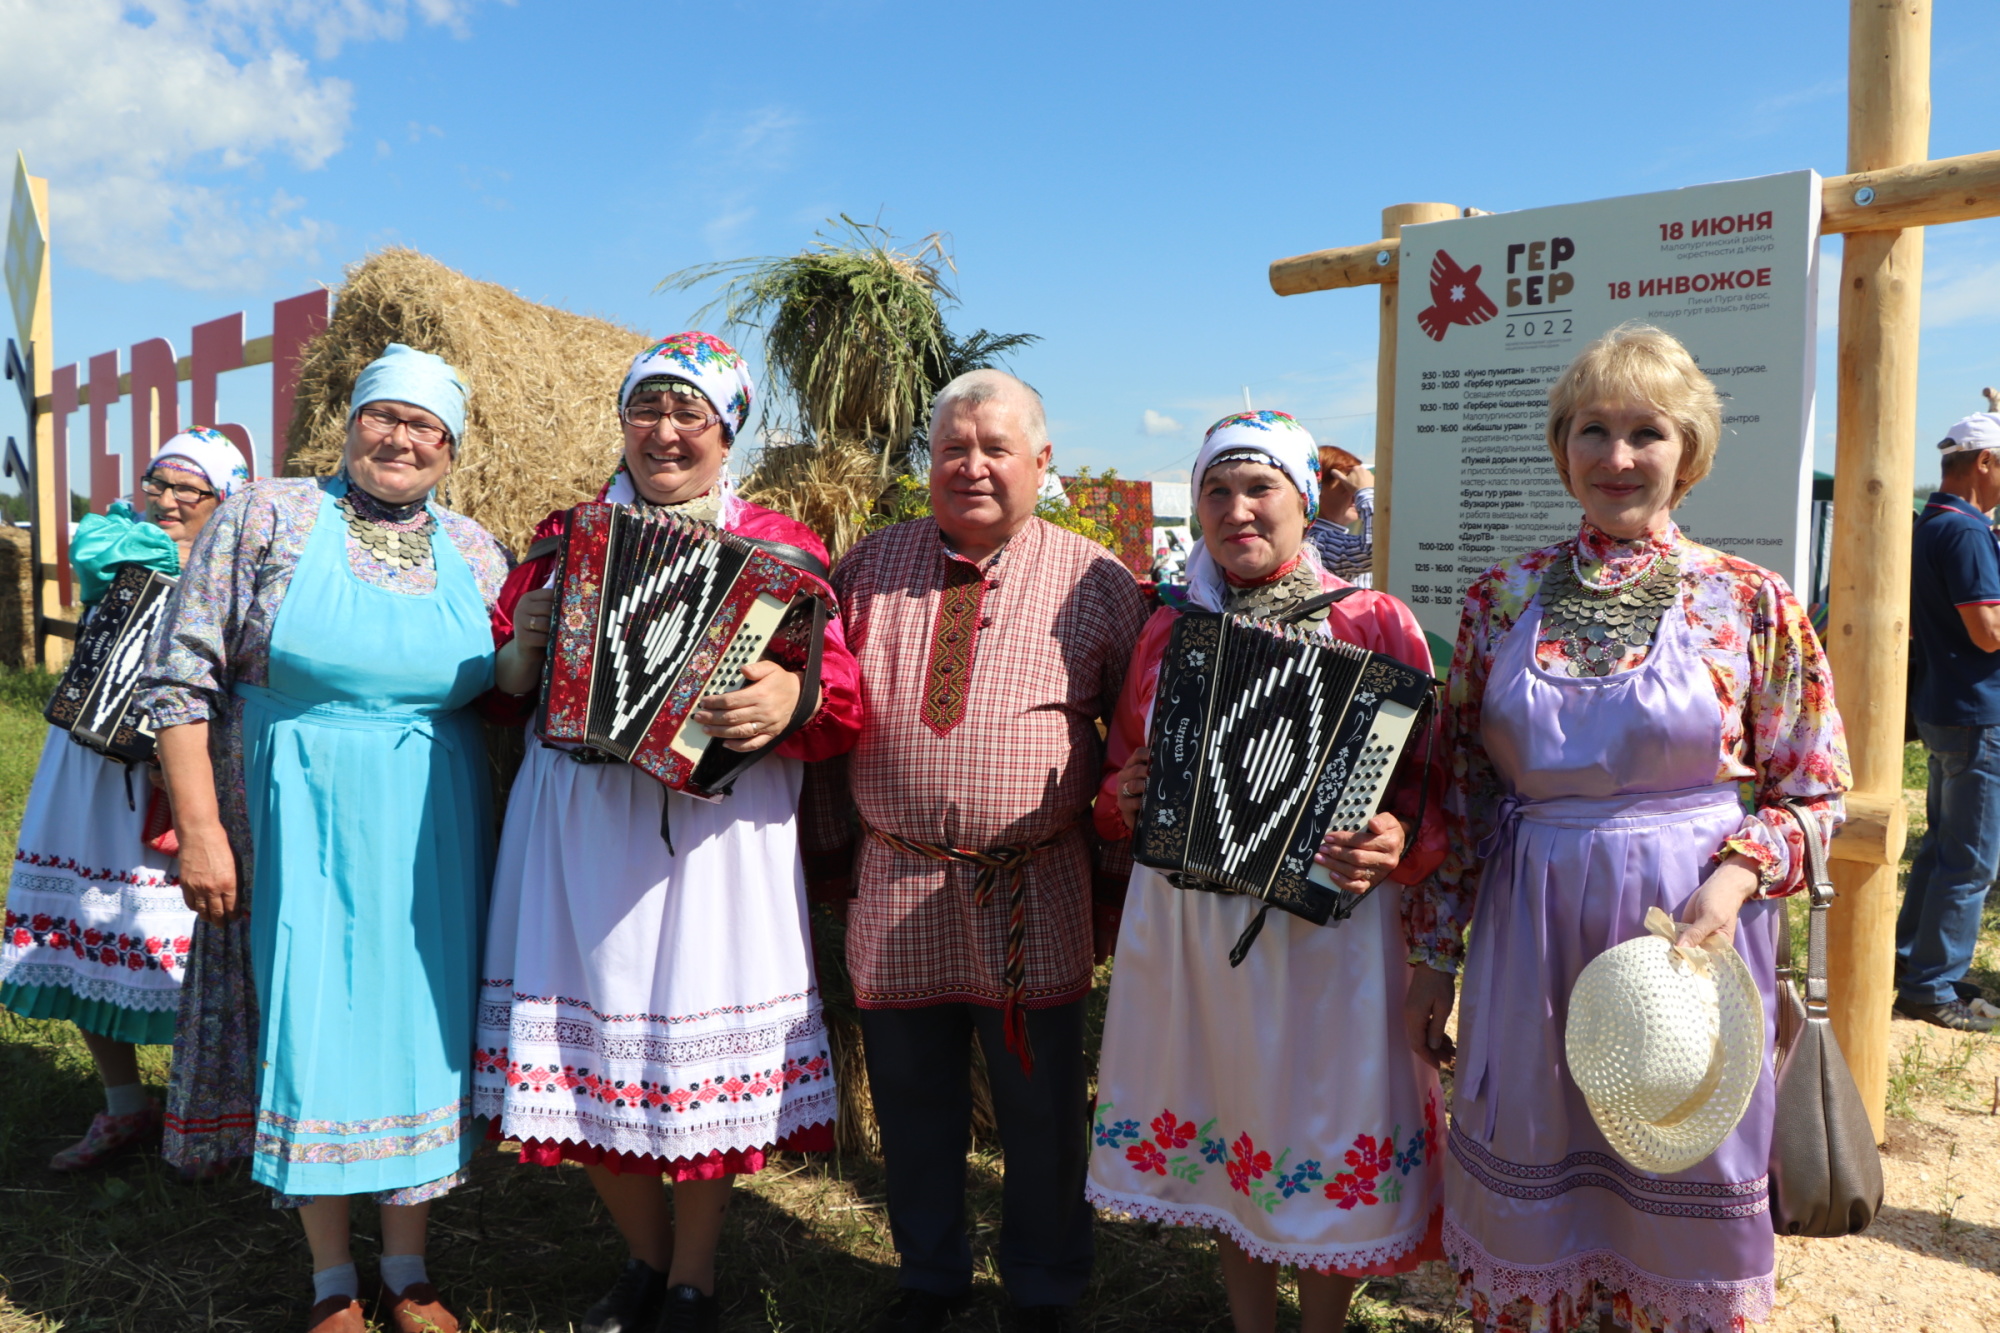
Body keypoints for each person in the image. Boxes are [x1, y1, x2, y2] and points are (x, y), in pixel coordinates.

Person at [1404, 324, 1849, 1333]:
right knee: (1533, 1191)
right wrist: (1431, 962)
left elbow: (1813, 792)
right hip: (1529, 936)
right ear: (1560, 446)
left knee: (1681, 1167)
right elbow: (1460, 796)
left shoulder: (1750, 601)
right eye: (1591, 431)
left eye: (1643, 431)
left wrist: (1733, 880)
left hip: (1685, 940)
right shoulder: (1497, 599)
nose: (1615, 457)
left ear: (1686, 450)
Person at [474, 332, 863, 1333]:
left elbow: (843, 698)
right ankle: (644, 1262)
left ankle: (691, 1278)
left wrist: (788, 692)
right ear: (621, 419)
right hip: (579, 820)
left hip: (716, 832)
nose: (665, 431)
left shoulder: (782, 549)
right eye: (648, 407)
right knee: (580, 1045)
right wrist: (516, 653)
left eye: (691, 413)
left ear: (727, 432)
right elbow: (499, 696)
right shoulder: (564, 536)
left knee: (695, 1056)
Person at [143, 346, 511, 1333]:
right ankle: (329, 1280)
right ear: (348, 423)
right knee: (315, 1018)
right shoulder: (266, 516)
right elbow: (180, 680)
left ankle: (407, 1264)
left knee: (419, 1029)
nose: (401, 439)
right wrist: (204, 832)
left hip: (434, 823)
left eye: (426, 426)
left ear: (451, 447)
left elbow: (507, 685)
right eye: (383, 417)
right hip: (290, 811)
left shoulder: (476, 550)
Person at [801, 369, 1148, 1333]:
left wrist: (1114, 890)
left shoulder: (1099, 581)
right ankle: (931, 1276)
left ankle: (1043, 1286)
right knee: (915, 1102)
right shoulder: (868, 567)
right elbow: (830, 724)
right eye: (954, 448)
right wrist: (832, 859)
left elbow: (1129, 746)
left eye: (997, 448)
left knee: (1040, 1114)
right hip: (897, 876)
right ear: (929, 462)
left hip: (1034, 885)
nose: (974, 466)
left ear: (1043, 462)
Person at [1086, 410, 1448, 1333]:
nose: (1237, 510)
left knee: (1325, 1125)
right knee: (1229, 1119)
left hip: (1329, 926)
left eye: (1260, 489)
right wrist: (1124, 793)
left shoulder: (1372, 619)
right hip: (1192, 919)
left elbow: (1429, 782)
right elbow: (1122, 769)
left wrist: (1398, 834)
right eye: (1218, 490)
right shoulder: (1169, 628)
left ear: (1300, 501)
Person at [0, 428, 249, 1172]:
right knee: (79, 920)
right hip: (87, 764)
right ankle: (123, 1105)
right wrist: (188, 557)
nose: (169, 501)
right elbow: (98, 551)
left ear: (226, 499)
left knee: (185, 940)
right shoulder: (121, 540)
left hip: (183, 772)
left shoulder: (248, 567)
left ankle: (207, 1106)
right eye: (160, 484)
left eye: (190, 489)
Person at [1898, 412, 2000, 1031]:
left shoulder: (1931, 523)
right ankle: (1931, 988)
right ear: (1984, 463)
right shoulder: (1964, 533)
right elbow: (1987, 632)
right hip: (1978, 712)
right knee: (1971, 862)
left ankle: (1918, 964)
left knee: (1943, 851)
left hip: (1945, 707)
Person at [1303, 445, 1374, 586]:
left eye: (1354, 485)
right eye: (1346, 484)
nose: (1354, 494)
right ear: (1317, 489)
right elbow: (1375, 552)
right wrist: (1365, 491)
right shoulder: (1315, 541)